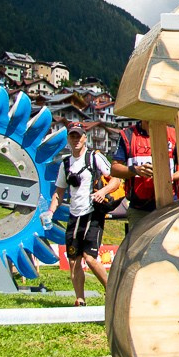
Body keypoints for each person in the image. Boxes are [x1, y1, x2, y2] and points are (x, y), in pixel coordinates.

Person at [46, 127, 117, 306]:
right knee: (73, 260)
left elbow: (116, 180)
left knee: (90, 257)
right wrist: (50, 212)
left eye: (79, 136)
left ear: (85, 138)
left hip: (93, 213)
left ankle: (113, 293)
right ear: (69, 140)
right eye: (73, 136)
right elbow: (59, 193)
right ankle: (80, 299)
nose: (76, 139)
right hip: (74, 215)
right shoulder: (65, 164)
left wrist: (103, 191)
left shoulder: (94, 157)